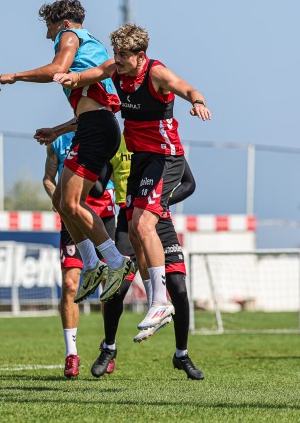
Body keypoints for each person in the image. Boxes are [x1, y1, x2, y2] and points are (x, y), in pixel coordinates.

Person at [54, 23, 211, 340]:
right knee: (137, 232)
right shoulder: (116, 69)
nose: (118, 59)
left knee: (141, 225)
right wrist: (72, 78)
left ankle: (160, 302)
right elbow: (95, 73)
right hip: (140, 156)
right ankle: (156, 303)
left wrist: (197, 103)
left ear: (141, 56)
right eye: (115, 53)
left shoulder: (157, 74)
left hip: (165, 157)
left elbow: (188, 89)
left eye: (123, 55)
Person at [0, 0, 133, 305]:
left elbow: (57, 69)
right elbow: (92, 107)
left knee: (70, 202)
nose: (48, 34)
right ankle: (93, 264)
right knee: (61, 200)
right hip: (95, 125)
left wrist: (16, 76)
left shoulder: (69, 37)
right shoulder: (90, 45)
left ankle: (114, 261)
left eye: (50, 26)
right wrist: (56, 131)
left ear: (64, 24)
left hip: (97, 128)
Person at [92, 156, 205, 380]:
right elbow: (97, 189)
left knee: (179, 288)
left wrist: (161, 201)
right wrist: (83, 166)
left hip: (160, 221)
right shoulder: (120, 143)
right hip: (127, 223)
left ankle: (181, 354)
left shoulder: (164, 145)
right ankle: (109, 348)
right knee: (117, 288)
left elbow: (189, 183)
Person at [43, 130, 117, 378]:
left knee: (110, 284)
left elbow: (116, 172)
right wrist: (56, 196)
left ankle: (109, 345)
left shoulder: (105, 134)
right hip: (71, 217)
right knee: (69, 285)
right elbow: (47, 178)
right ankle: (71, 354)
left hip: (103, 216)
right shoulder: (59, 142)